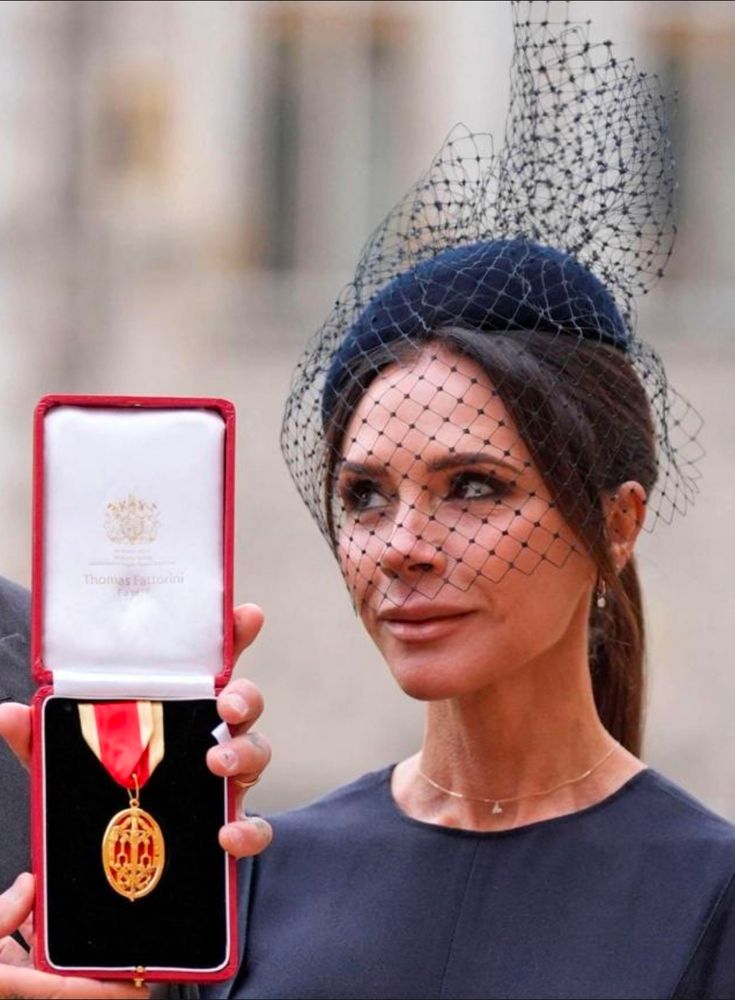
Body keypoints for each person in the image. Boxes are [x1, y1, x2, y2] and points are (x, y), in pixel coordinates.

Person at [2, 2, 734, 998]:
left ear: (618, 521)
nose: (403, 546)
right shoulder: (253, 878)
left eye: (475, 487)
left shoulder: (708, 893)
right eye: (364, 496)